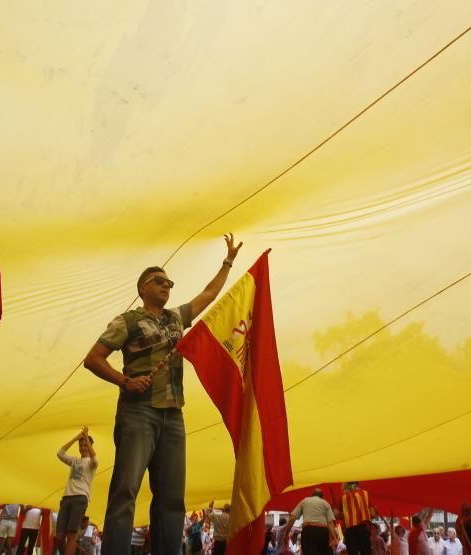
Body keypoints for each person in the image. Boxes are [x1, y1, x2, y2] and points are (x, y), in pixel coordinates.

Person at [84, 234, 243, 555]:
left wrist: (228, 261)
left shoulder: (176, 318)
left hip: (173, 415)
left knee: (172, 498)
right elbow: (93, 358)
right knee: (125, 491)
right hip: (137, 411)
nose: (167, 286)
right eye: (159, 281)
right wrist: (124, 380)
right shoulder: (127, 320)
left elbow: (209, 294)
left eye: (170, 283)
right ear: (143, 288)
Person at [56, 428, 98, 555]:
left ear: (90, 446)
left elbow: (95, 459)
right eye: (81, 445)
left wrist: (86, 438)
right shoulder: (75, 461)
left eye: (85, 445)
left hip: (80, 498)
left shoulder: (91, 463)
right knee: (59, 536)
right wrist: (76, 438)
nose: (83, 447)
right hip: (66, 497)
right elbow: (60, 453)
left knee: (71, 534)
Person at [282, 489, 337, 555]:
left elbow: (292, 518)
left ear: (312, 495)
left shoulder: (304, 501)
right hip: (322, 531)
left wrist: (286, 533)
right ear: (322, 496)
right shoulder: (325, 503)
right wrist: (334, 538)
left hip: (308, 531)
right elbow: (330, 523)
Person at [339, 483, 378, 555]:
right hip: (363, 527)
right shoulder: (365, 493)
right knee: (366, 551)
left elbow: (336, 514)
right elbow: (373, 513)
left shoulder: (343, 496)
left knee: (352, 552)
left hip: (350, 529)